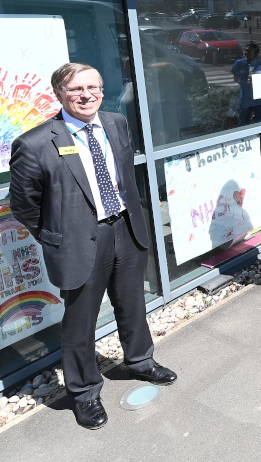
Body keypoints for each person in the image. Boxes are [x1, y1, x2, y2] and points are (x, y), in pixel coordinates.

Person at [9, 63, 176, 430]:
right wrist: (57, 233)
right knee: (81, 322)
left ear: (102, 90)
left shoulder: (116, 123)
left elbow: (123, 173)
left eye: (93, 87)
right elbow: (24, 205)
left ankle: (140, 361)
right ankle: (83, 392)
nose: (86, 95)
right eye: (76, 89)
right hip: (79, 243)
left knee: (132, 304)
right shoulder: (36, 143)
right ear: (59, 93)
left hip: (126, 229)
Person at [231, 42, 261, 126]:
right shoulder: (239, 63)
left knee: (259, 122)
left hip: (258, 99)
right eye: (245, 50)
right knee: (243, 121)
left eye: (249, 51)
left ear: (256, 53)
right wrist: (243, 82)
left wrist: (258, 77)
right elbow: (235, 78)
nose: (246, 53)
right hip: (245, 98)